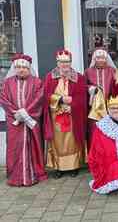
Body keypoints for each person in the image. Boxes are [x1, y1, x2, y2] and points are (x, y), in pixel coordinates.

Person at [0, 53, 47, 186]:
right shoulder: (7, 83)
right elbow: (3, 99)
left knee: (32, 146)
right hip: (14, 121)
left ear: (28, 68)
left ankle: (33, 173)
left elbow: (39, 98)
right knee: (15, 147)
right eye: (18, 67)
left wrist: (26, 112)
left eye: (24, 67)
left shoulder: (37, 82)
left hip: (32, 120)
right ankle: (16, 175)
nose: (21, 69)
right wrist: (16, 113)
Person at [43, 49, 87, 178]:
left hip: (72, 115)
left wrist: (72, 105)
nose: (64, 65)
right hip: (56, 115)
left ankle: (74, 166)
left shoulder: (79, 77)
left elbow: (82, 97)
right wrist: (60, 99)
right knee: (58, 142)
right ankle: (59, 167)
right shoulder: (49, 77)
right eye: (61, 62)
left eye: (67, 62)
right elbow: (45, 96)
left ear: (70, 62)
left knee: (72, 141)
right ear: (57, 62)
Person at [85, 48, 116, 150]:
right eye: (98, 58)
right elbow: (84, 86)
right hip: (94, 110)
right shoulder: (88, 72)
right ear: (94, 59)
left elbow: (116, 88)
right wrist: (91, 89)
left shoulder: (112, 71)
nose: (101, 60)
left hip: (109, 108)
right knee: (94, 132)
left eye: (103, 58)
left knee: (109, 132)